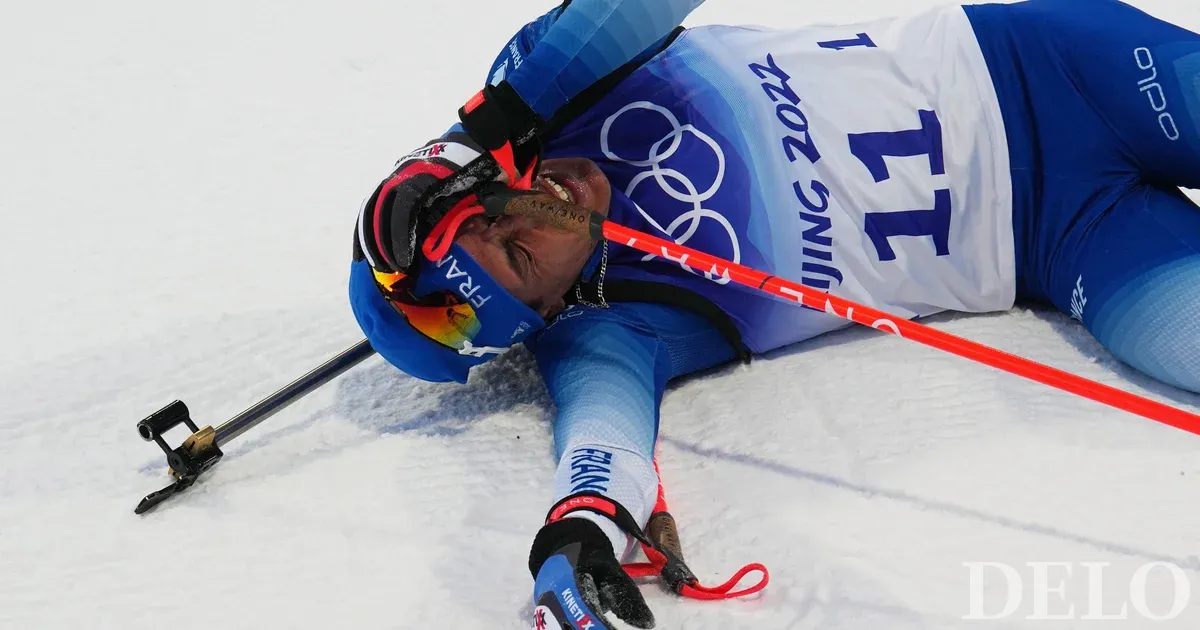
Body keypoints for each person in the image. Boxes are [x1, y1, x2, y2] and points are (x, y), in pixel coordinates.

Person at [347, 0, 1200, 626]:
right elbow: (600, 427)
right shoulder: (617, 320)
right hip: (1066, 243)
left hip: (1043, 70)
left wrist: (502, 119)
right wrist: (583, 531)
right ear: (549, 306)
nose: (540, 209)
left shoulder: (545, 86)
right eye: (524, 255)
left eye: (494, 207)